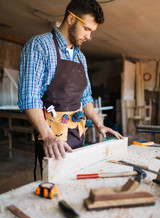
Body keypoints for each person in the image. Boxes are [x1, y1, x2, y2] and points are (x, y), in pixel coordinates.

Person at [18, 0, 123, 178]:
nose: (89, 37)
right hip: (52, 138)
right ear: (71, 19)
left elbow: (86, 97)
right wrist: (48, 136)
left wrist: (99, 124)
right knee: (56, 185)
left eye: (92, 31)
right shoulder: (40, 46)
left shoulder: (80, 57)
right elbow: (29, 98)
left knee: (76, 180)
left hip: (77, 133)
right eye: (87, 29)